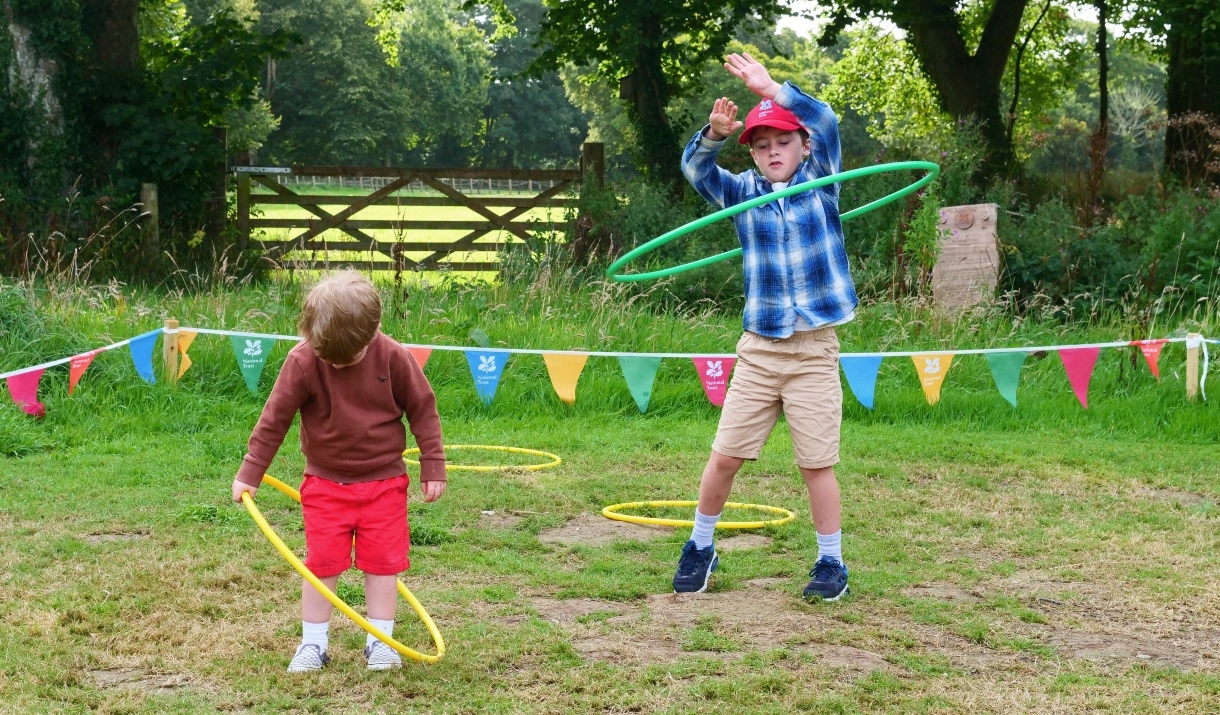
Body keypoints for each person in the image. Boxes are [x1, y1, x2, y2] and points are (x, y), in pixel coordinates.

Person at [673, 53, 854, 601]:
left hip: (815, 349)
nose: (772, 151)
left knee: (816, 463)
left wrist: (772, 87)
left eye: (782, 141)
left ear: (802, 148)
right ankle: (701, 546)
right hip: (759, 350)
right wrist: (714, 134)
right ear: (751, 154)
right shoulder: (743, 194)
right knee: (725, 456)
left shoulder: (822, 183)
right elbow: (695, 171)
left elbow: (825, 120)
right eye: (760, 144)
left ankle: (830, 563)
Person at [230, 271, 446, 671]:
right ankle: (312, 644)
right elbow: (273, 419)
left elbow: (423, 410)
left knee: (384, 564)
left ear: (374, 330)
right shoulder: (302, 361)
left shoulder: (394, 357)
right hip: (325, 485)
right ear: (311, 334)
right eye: (330, 358)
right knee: (322, 563)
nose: (338, 364)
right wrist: (250, 473)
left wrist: (433, 465)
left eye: (350, 357)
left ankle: (380, 641)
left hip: (385, 483)